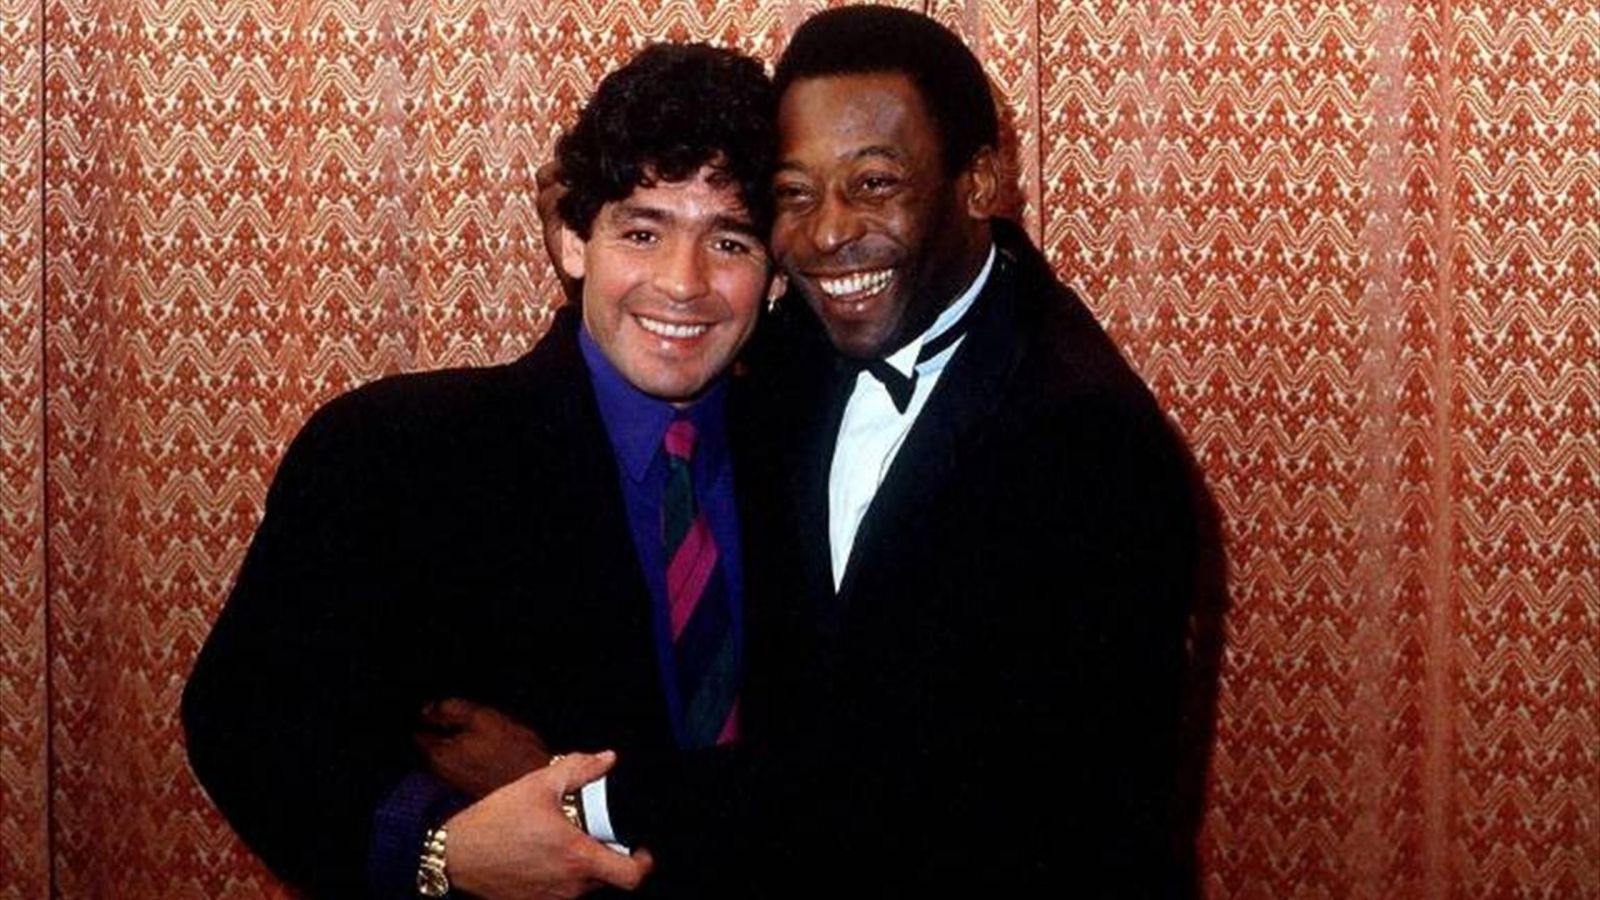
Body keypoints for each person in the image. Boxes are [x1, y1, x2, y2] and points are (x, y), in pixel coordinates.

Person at [440, 6, 1204, 897]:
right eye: (796, 194)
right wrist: (593, 250)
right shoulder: (812, 339)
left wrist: (574, 795)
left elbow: (920, 792)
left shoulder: (1083, 441)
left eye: (874, 183)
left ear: (979, 182)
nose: (829, 233)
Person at [180, 43, 785, 899]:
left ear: (775, 272)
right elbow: (248, 725)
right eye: (642, 232)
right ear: (572, 239)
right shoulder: (393, 452)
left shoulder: (816, 462)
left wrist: (585, 796)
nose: (683, 284)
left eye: (730, 240)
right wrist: (438, 848)